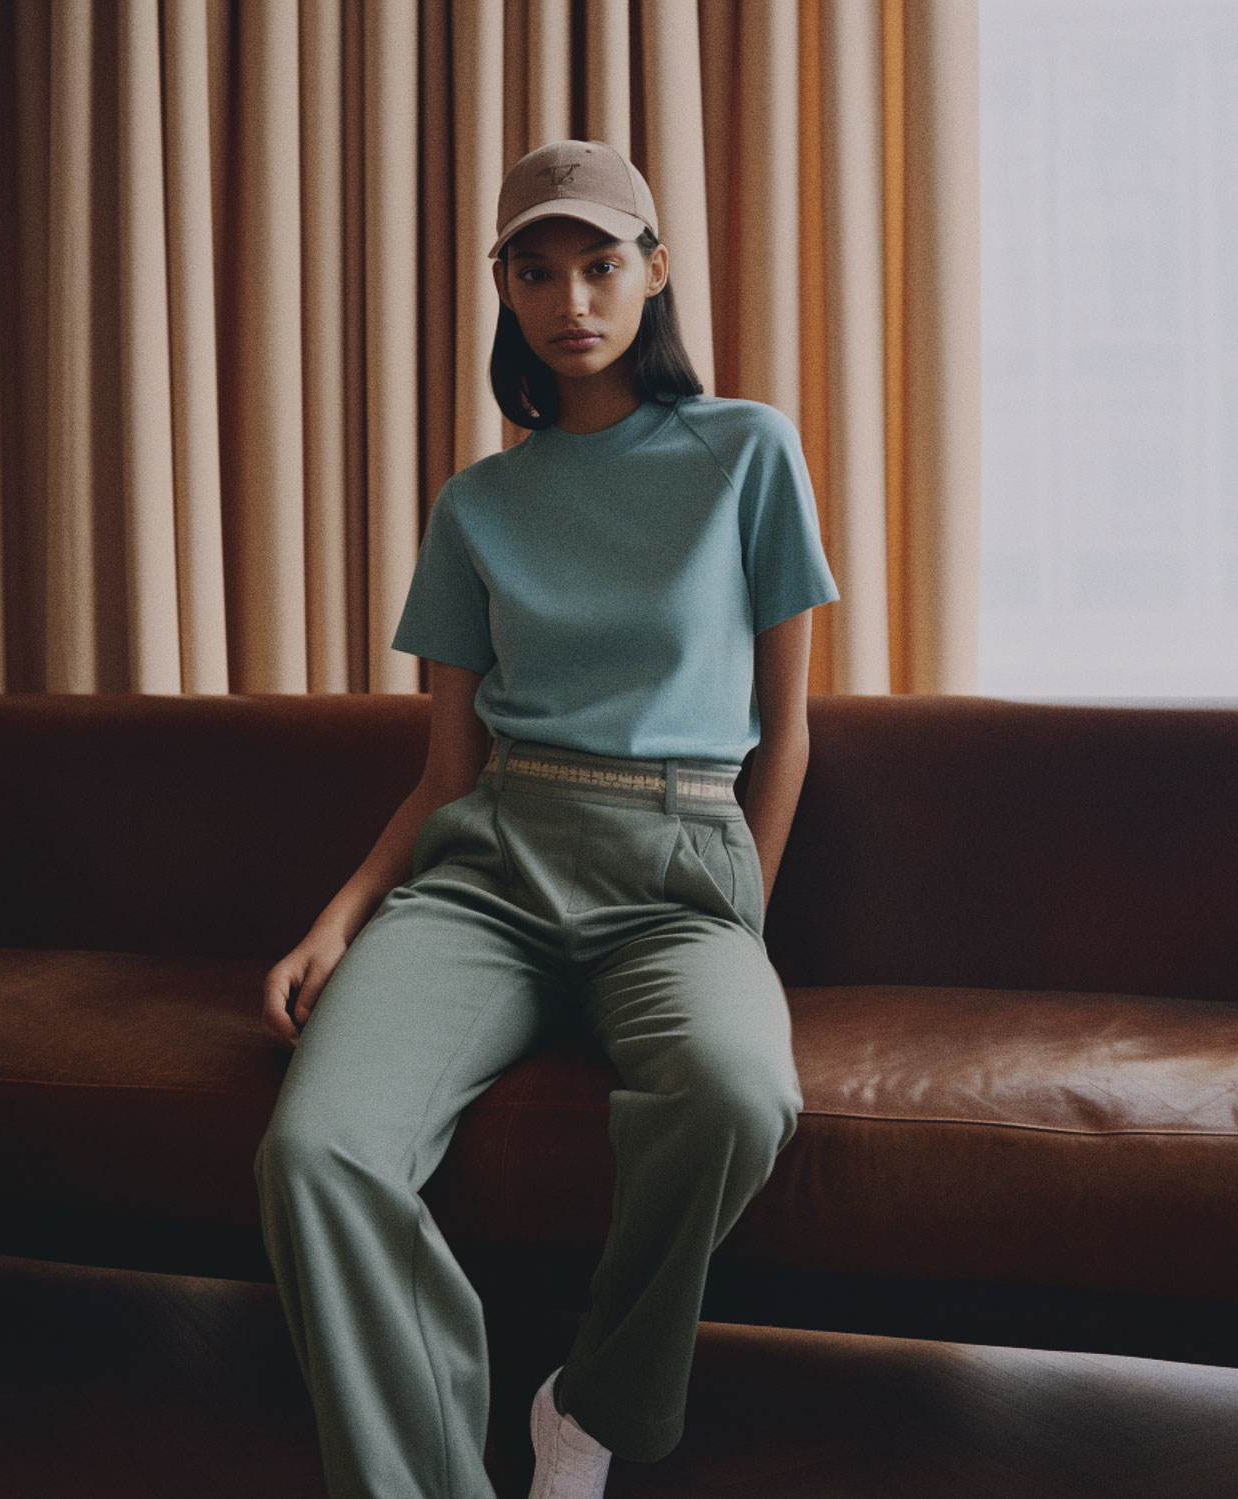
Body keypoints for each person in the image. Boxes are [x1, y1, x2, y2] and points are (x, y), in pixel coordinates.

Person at [253, 138, 841, 1499]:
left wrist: (741, 906)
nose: (572, 298)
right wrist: (337, 923)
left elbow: (787, 727)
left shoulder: (748, 452)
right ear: (506, 293)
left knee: (740, 1096)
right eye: (539, 272)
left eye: (600, 264)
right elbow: (446, 767)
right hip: (490, 876)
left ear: (655, 272)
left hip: (680, 869)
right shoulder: (479, 504)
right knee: (314, 1151)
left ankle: (590, 1403)